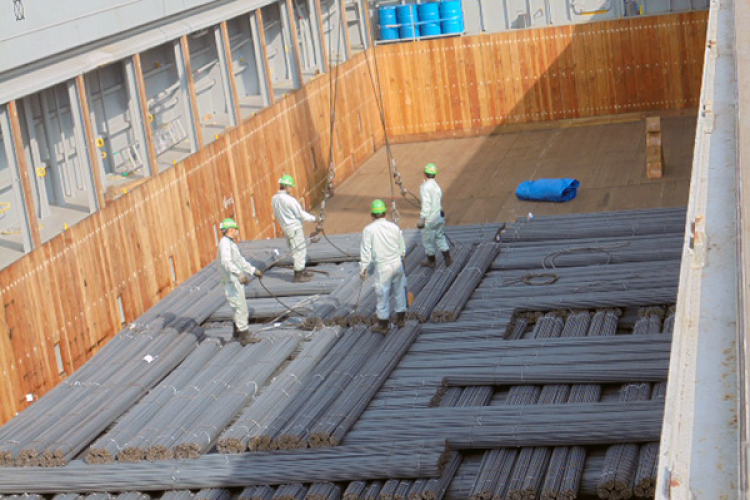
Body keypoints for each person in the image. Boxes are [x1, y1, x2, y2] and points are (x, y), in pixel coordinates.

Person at [360, 199, 407, 334]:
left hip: (383, 267)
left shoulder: (368, 230)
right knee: (400, 290)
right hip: (397, 263)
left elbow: (366, 251)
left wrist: (363, 268)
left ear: (371, 215)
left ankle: (383, 325)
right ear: (385, 213)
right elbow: (401, 244)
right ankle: (401, 319)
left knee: (382, 294)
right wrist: (402, 256)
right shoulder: (394, 227)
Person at [218, 218, 263, 345]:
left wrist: (253, 270)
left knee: (239, 307)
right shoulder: (225, 244)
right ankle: (244, 336)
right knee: (240, 308)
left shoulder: (230, 243)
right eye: (235, 230)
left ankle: (237, 333)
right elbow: (226, 262)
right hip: (232, 282)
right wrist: (239, 273)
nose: (237, 232)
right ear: (230, 230)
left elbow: (240, 261)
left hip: (235, 281)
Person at [272, 175, 317, 283]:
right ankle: (298, 275)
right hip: (295, 228)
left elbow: (276, 214)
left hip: (286, 228)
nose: (291, 188)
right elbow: (300, 214)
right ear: (287, 186)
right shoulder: (289, 200)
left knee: (295, 249)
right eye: (290, 186)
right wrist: (315, 219)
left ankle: (302, 270)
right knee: (299, 251)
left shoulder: (274, 199)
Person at [417, 163, 452, 267]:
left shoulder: (425, 187)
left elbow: (426, 204)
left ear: (424, 174)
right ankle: (448, 258)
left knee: (428, 241)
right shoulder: (436, 186)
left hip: (430, 219)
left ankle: (431, 261)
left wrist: (422, 218)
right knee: (440, 237)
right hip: (439, 216)